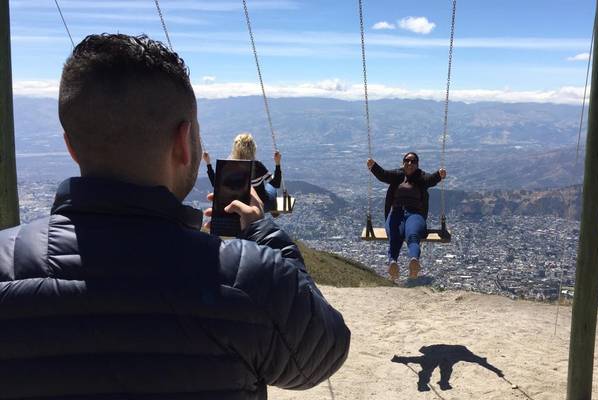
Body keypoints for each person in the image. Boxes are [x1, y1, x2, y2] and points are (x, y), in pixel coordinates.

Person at [0, 33, 349, 399]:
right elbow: (325, 351)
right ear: (184, 143)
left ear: (71, 146)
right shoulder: (249, 278)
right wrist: (265, 233)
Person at [367, 152, 447, 281]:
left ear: (417, 164)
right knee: (395, 235)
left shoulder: (421, 177)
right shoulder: (397, 175)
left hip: (414, 214)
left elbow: (431, 179)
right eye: (407, 161)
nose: (409, 163)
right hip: (396, 213)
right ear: (403, 162)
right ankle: (393, 262)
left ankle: (414, 261)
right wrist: (373, 166)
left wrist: (439, 175)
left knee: (413, 234)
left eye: (413, 161)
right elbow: (384, 175)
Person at [202, 133, 283, 214]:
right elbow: (276, 184)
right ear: (253, 148)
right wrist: (277, 163)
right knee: (272, 187)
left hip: (242, 208)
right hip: (263, 206)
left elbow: (215, 183)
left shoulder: (229, 167)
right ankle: (274, 209)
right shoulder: (258, 166)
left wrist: (208, 163)